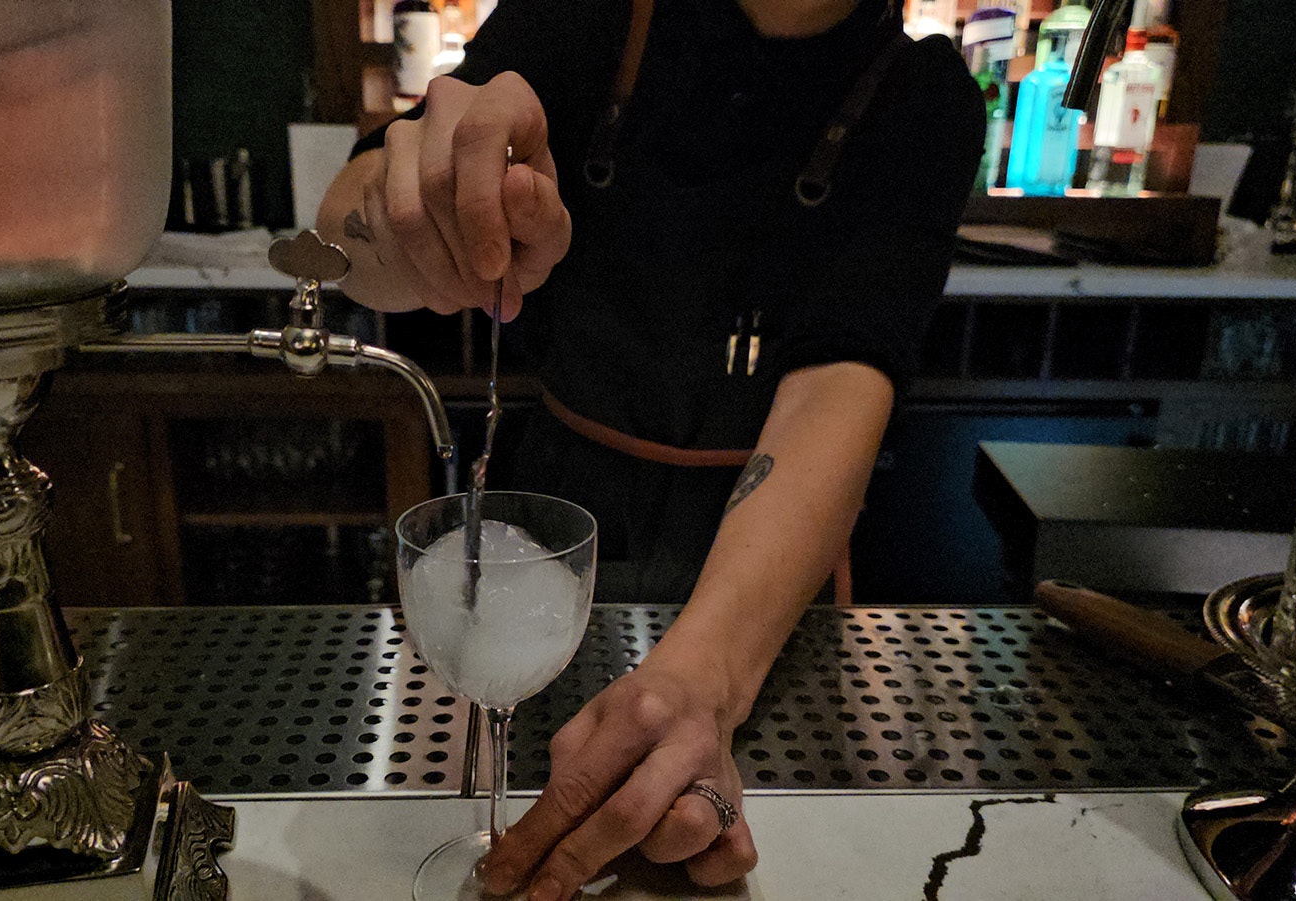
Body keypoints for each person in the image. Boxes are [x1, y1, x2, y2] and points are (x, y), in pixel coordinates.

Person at [317, 0, 984, 895]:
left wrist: (708, 679)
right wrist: (405, 220)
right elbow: (340, 240)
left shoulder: (926, 93)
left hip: (765, 574)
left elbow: (842, 375)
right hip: (560, 534)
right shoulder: (586, 17)